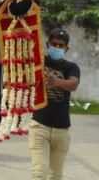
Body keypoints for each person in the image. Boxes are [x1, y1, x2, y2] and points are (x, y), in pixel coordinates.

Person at [30, 28, 80, 180]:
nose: (57, 48)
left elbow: (74, 84)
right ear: (48, 44)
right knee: (39, 173)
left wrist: (58, 82)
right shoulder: (38, 62)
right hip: (39, 126)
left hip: (61, 129)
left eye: (61, 45)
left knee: (56, 176)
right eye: (54, 44)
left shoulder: (71, 67)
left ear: (66, 48)